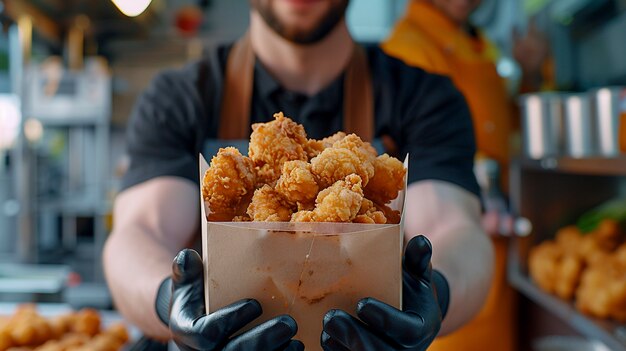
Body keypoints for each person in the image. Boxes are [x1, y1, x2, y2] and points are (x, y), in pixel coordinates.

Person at [103, 0, 494, 349]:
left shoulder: (423, 97)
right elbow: (138, 234)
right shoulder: (179, 98)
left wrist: (437, 293)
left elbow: (455, 229)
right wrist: (167, 298)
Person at [382, 1, 549, 350]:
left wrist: (531, 75)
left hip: (496, 238)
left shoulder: (480, 43)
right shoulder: (408, 48)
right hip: (448, 244)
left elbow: (505, 130)